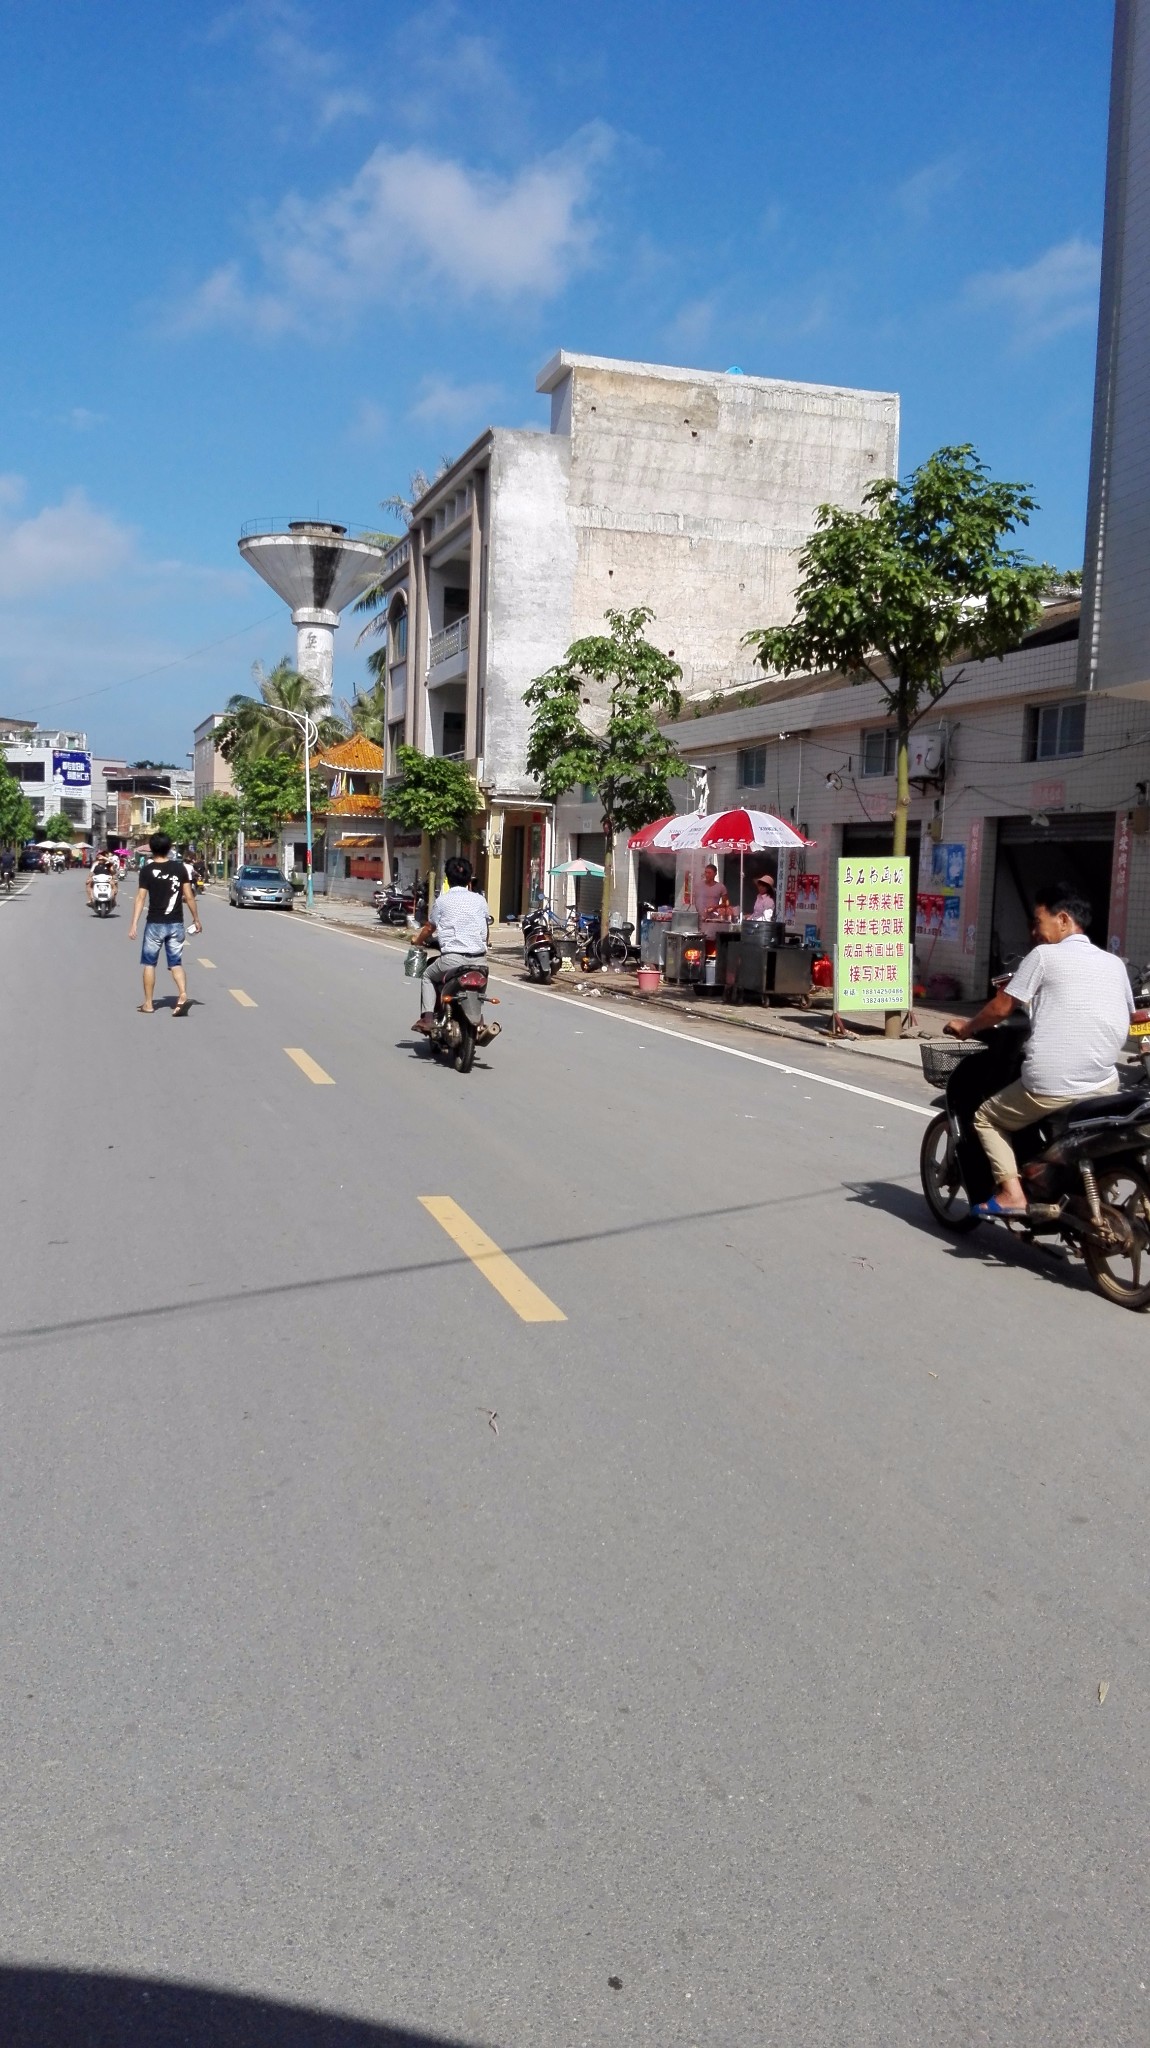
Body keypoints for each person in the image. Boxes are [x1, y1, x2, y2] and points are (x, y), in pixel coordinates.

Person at [945, 881, 1134, 1218]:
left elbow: (1002, 1008)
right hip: (1105, 1082)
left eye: (1038, 921)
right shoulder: (1115, 964)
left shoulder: (1044, 957)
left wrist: (967, 1027)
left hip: (1053, 1081)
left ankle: (1011, 1193)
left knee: (987, 1118)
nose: (1034, 931)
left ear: (1063, 920)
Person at [410, 855, 491, 1033]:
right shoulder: (480, 900)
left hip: (452, 961)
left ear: (447, 878)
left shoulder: (442, 901)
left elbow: (429, 928)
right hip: (480, 962)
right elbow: (485, 930)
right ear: (470, 879)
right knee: (480, 989)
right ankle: (479, 1018)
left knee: (428, 976)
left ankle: (428, 1018)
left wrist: (418, 941)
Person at [127, 831, 202, 1016]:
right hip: (176, 923)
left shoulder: (146, 870)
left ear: (151, 849)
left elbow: (140, 898)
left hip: (154, 924)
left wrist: (134, 924)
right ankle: (183, 994)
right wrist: (196, 919)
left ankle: (149, 1004)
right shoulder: (179, 869)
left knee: (149, 964)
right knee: (175, 963)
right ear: (169, 848)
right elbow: (189, 896)